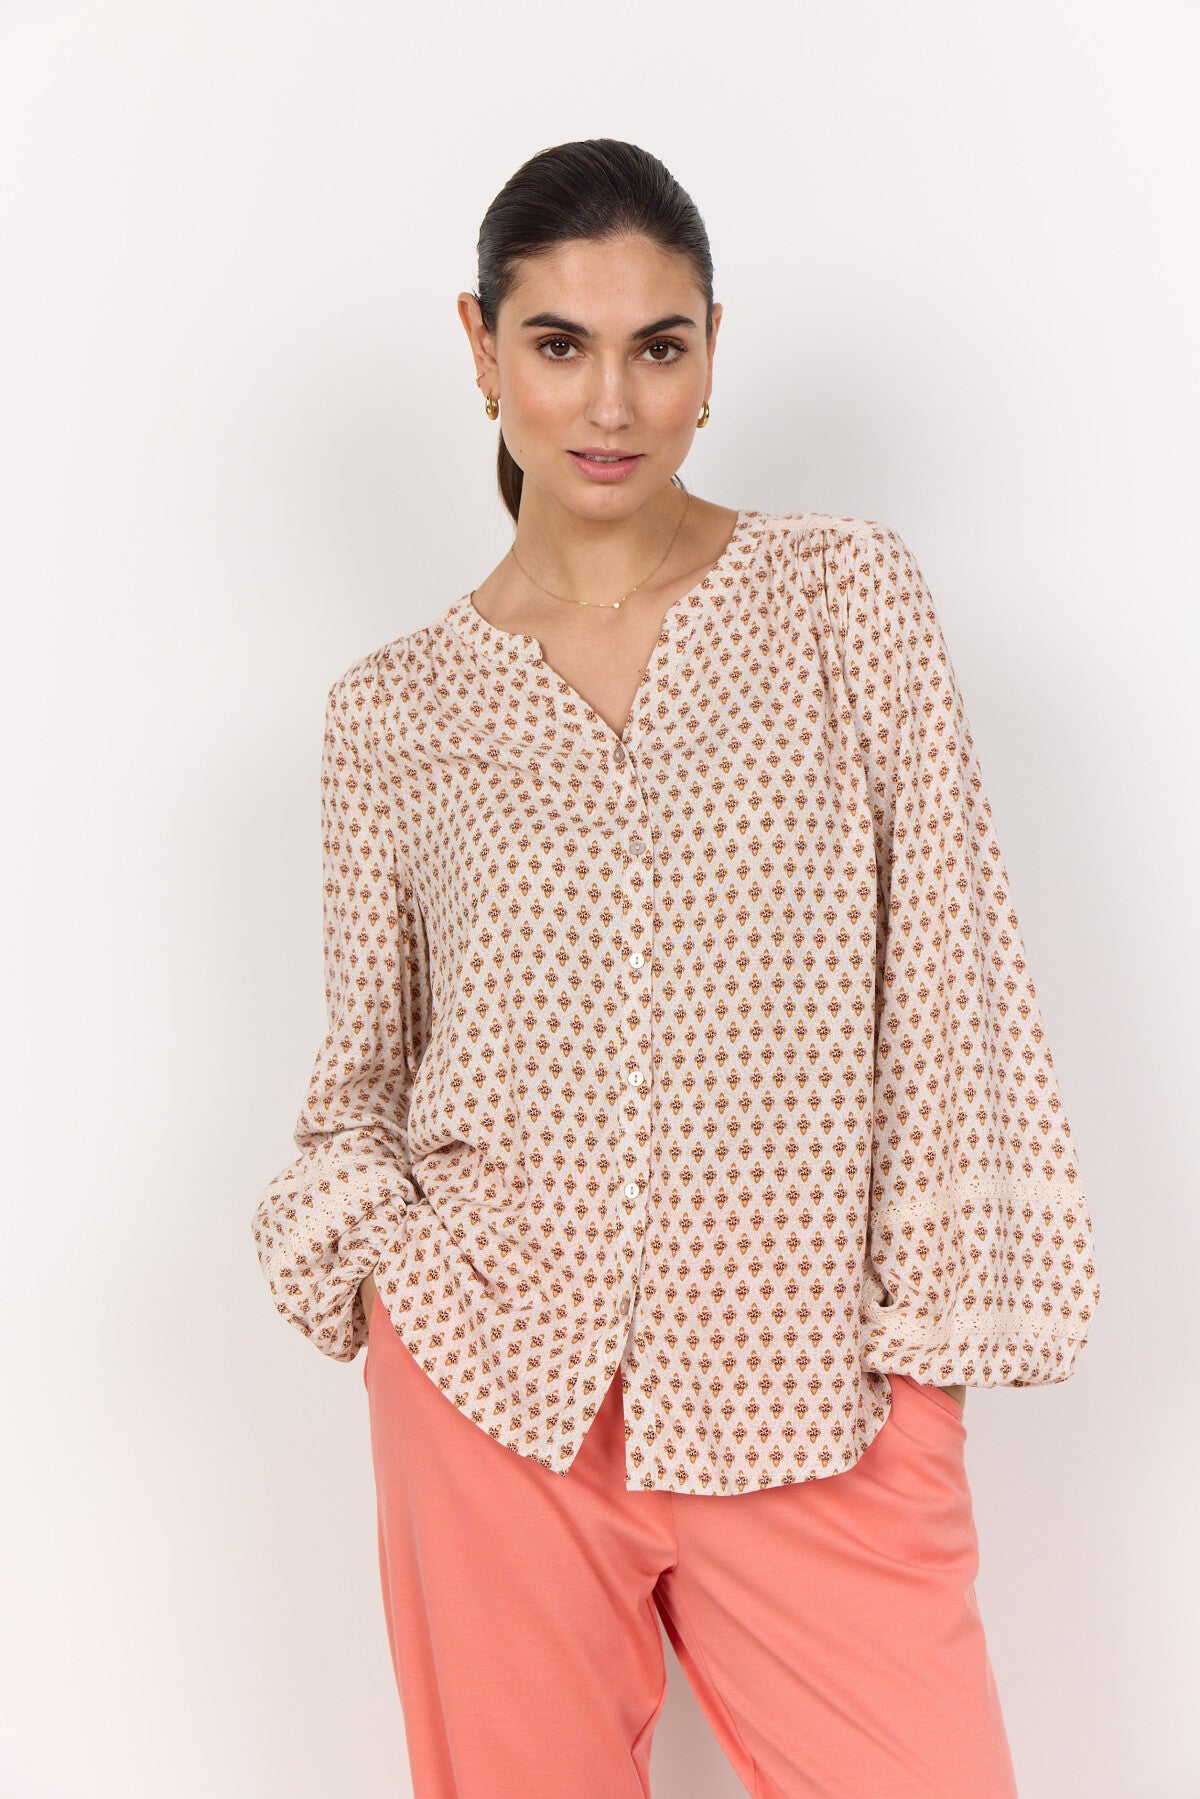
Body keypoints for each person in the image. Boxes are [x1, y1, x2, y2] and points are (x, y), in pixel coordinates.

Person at [251, 137, 1101, 1799]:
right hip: (492, 1393)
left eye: (659, 346)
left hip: (819, 1395)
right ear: (481, 348)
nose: (611, 402)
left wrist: (922, 1370)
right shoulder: (392, 713)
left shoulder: (843, 599)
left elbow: (954, 987)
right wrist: (392, 1286)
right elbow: (359, 1083)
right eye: (558, 343)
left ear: (714, 354)